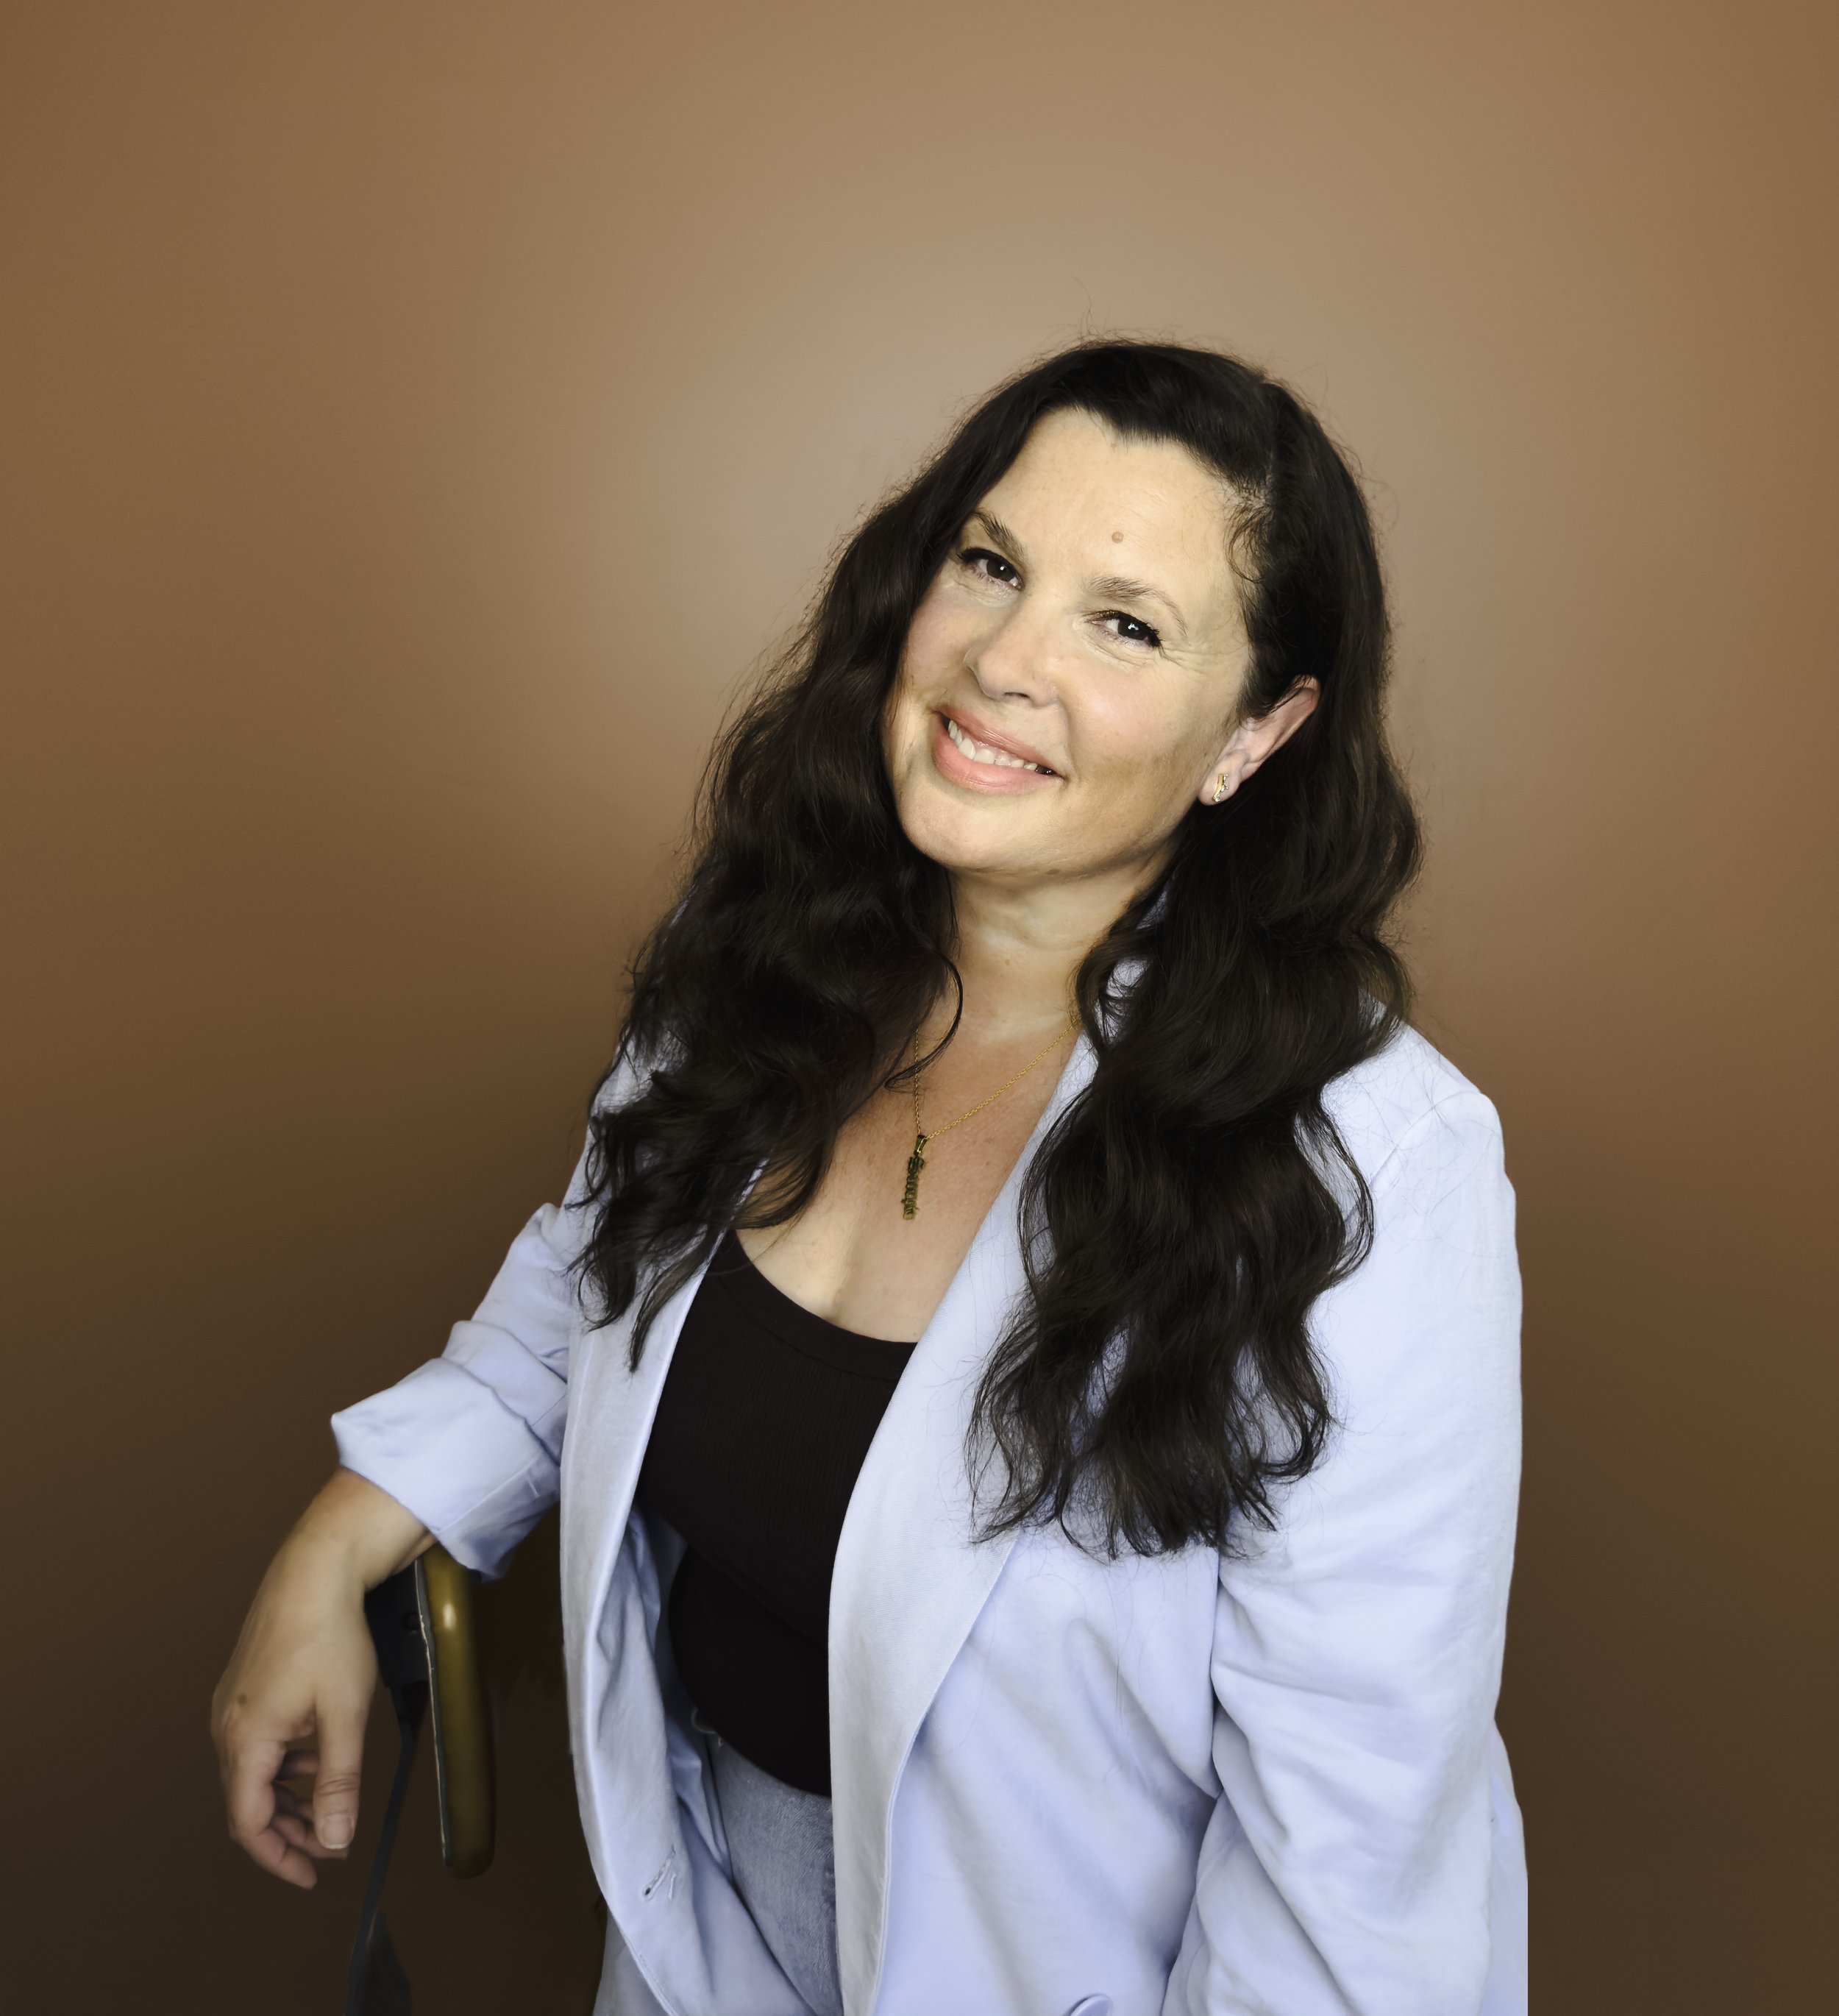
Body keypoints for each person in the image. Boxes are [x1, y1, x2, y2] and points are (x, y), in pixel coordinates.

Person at [213, 341, 1525, 2016]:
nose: (1000, 660)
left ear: (1252, 734)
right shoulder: (762, 970)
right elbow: (585, 1295)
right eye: (989, 564)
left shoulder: (1373, 1170)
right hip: (710, 1918)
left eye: (1123, 624)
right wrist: (341, 1533)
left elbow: (1342, 1859)